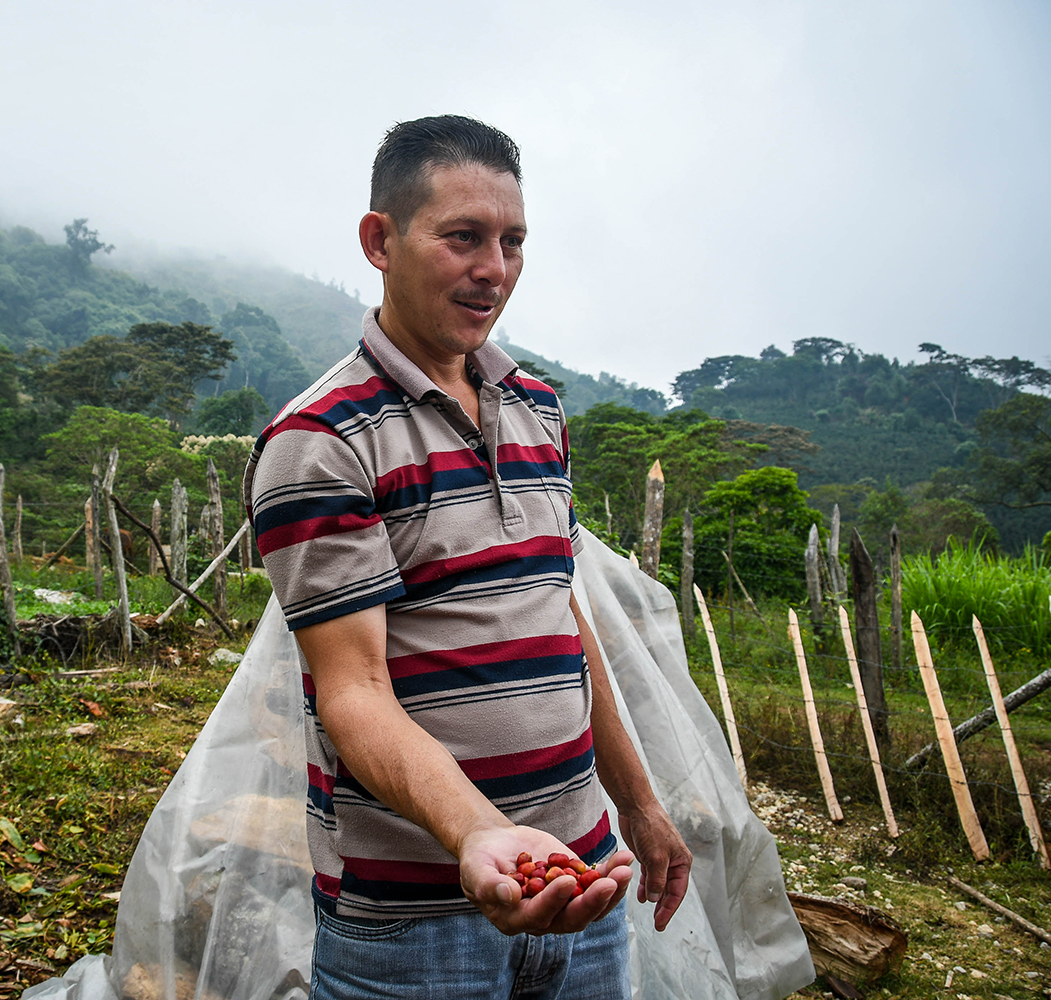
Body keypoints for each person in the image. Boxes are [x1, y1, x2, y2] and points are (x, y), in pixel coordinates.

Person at [242, 116, 692, 1000]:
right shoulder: (320, 441)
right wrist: (479, 834)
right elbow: (353, 691)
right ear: (381, 240)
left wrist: (636, 807)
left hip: (582, 878)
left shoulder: (537, 408)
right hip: (415, 926)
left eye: (512, 242)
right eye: (463, 238)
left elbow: (558, 615)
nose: (494, 269)